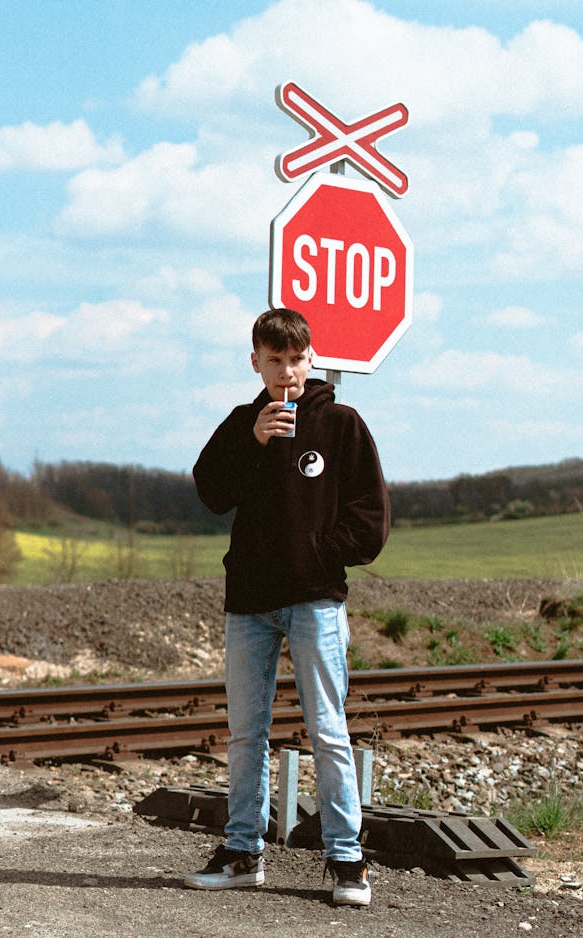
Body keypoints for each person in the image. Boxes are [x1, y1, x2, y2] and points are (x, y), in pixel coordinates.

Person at [185, 307, 390, 907]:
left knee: (328, 730)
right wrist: (251, 441)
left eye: (296, 359)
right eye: (273, 361)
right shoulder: (241, 423)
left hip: (314, 601)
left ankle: (347, 862)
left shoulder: (343, 424)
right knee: (245, 734)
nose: (286, 372)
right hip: (249, 601)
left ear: (311, 358)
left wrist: (319, 553)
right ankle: (243, 852)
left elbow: (372, 520)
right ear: (256, 362)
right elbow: (211, 492)